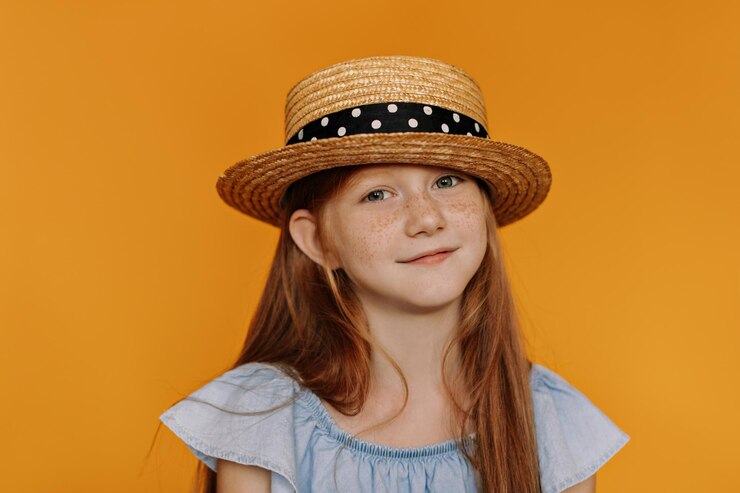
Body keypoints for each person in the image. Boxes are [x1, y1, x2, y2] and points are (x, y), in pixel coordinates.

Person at [157, 55, 630, 493]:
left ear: (485, 211)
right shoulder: (262, 416)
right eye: (378, 194)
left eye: (447, 182)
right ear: (318, 240)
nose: (427, 218)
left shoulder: (550, 418)